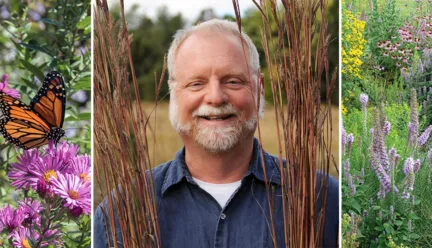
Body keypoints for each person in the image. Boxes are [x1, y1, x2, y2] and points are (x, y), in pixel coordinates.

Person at [94, 19, 339, 247]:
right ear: (173, 93)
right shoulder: (121, 209)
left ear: (259, 89)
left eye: (233, 81)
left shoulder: (324, 200)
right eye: (196, 83)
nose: (215, 97)